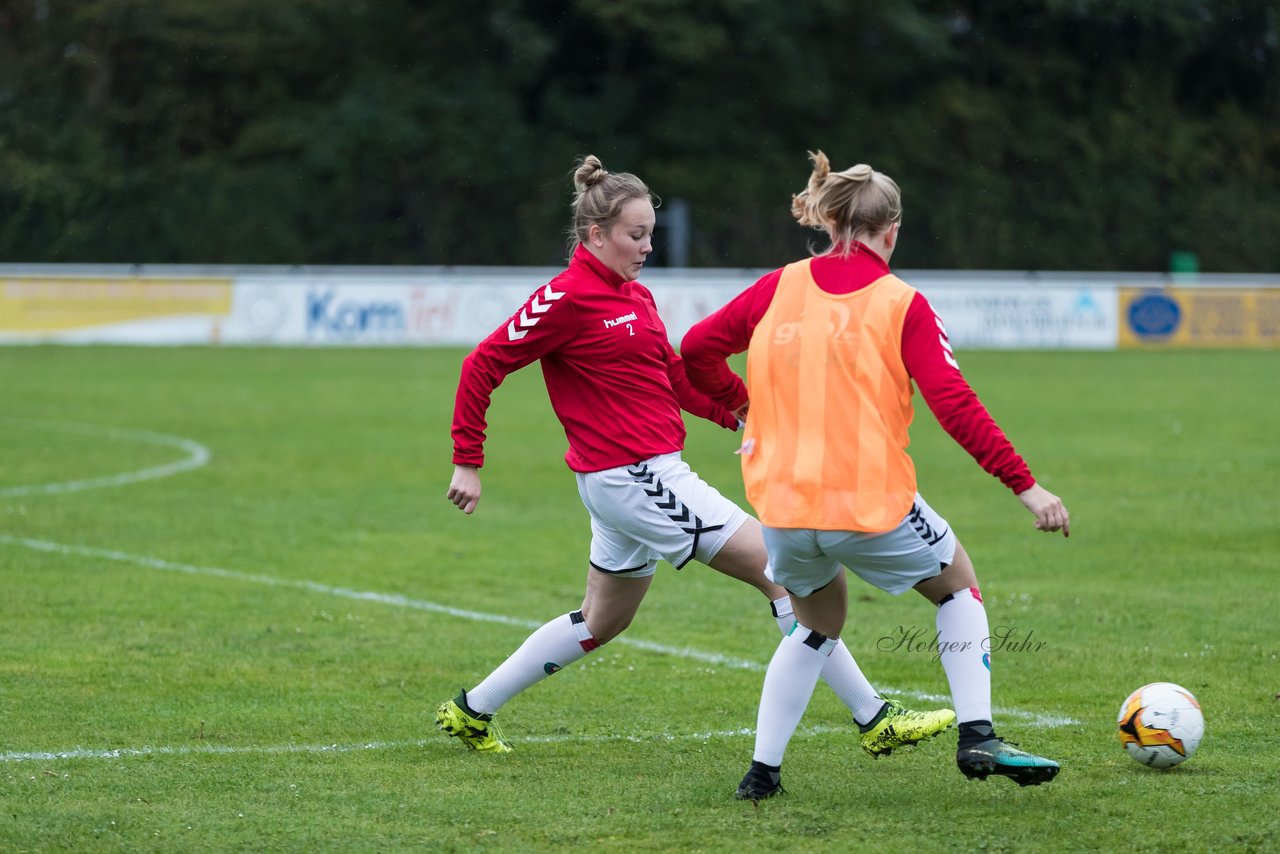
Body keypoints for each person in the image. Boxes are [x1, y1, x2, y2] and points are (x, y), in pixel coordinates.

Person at [436, 155, 956, 759]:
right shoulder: (565, 298)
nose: (647, 246)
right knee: (781, 572)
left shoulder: (636, 297)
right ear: (595, 235)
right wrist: (466, 459)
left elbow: (675, 378)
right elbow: (483, 363)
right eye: (636, 235)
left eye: (650, 234)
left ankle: (472, 711)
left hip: (629, 480)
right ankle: (874, 719)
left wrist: (740, 409)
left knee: (602, 620)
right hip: (633, 476)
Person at [680, 151, 1071, 799]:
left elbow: (695, 349)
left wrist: (740, 404)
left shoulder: (779, 284)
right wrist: (1025, 486)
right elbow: (954, 402)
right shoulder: (901, 302)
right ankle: (978, 735)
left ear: (831, 227)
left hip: (781, 503)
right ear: (892, 231)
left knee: (815, 625)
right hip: (868, 503)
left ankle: (762, 774)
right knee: (957, 589)